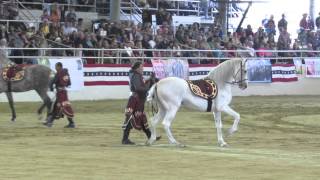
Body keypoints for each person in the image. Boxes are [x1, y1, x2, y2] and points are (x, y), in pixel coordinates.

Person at [121, 61, 160, 145]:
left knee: (141, 118)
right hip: (135, 100)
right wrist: (149, 85)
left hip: (138, 100)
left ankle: (151, 136)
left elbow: (141, 86)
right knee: (130, 118)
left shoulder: (136, 75)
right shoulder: (136, 76)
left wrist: (150, 80)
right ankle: (124, 139)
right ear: (137, 68)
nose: (143, 68)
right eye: (142, 67)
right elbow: (138, 88)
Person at [44, 62, 75, 128]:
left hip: (60, 93)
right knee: (60, 106)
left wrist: (51, 88)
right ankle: (50, 122)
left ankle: (50, 122)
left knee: (61, 106)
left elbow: (53, 81)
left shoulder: (59, 73)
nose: (55, 68)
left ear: (59, 66)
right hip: (64, 92)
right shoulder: (66, 73)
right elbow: (69, 83)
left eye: (56, 67)